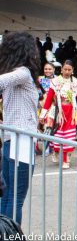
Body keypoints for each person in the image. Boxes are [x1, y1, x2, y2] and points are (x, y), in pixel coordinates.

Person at [0, 31, 41, 224]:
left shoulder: (15, 76)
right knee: (15, 198)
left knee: (8, 196)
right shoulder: (23, 73)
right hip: (21, 142)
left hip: (11, 141)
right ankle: (9, 239)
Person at [40, 60, 77, 169]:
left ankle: (66, 160)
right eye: (65, 69)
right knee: (57, 135)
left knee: (69, 137)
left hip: (71, 113)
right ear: (61, 69)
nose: (67, 72)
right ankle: (55, 150)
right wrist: (42, 115)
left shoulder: (76, 82)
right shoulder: (55, 81)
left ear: (73, 70)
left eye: (69, 70)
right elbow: (49, 99)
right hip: (58, 113)